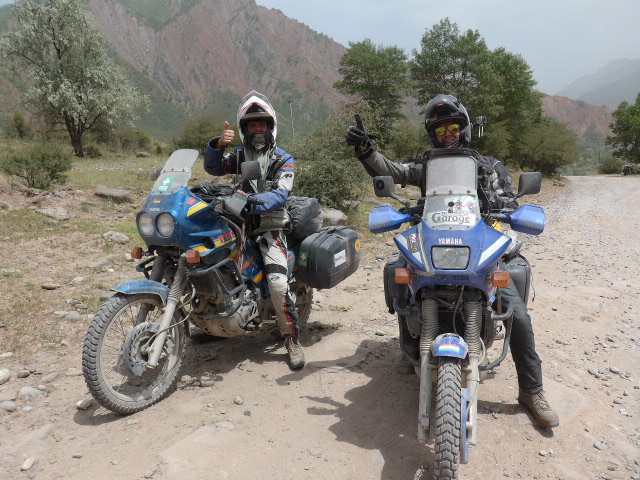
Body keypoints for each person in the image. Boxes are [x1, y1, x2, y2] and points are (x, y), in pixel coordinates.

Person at [344, 93, 559, 428]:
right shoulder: (427, 167)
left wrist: (504, 209)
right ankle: (411, 347)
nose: (448, 135)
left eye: (453, 128)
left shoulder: (489, 167)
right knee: (400, 274)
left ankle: (532, 390)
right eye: (441, 130)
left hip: (479, 248)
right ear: (433, 134)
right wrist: (366, 150)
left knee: (517, 312)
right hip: (435, 243)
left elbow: (509, 201)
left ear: (465, 129)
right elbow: (393, 170)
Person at [204, 90, 304, 370]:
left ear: (270, 127)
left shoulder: (283, 158)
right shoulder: (237, 155)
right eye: (252, 125)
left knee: (277, 283)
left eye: (262, 124)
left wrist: (253, 201)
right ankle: (212, 320)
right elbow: (214, 168)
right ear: (244, 129)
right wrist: (217, 146)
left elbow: (281, 193)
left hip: (270, 226)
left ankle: (291, 338)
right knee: (211, 265)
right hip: (237, 223)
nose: (257, 129)